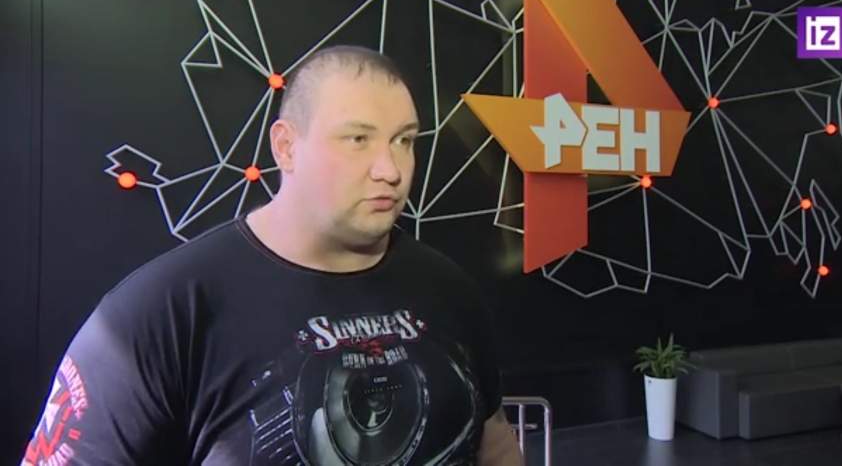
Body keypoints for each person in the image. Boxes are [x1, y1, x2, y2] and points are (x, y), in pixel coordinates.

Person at [21, 45, 523, 465]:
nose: (390, 169)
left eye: (404, 140)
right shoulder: (159, 314)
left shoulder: (448, 290)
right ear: (285, 147)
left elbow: (494, 443)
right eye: (358, 139)